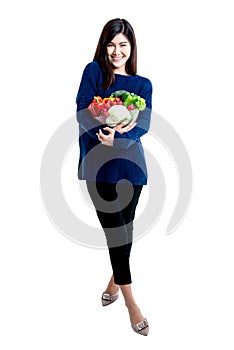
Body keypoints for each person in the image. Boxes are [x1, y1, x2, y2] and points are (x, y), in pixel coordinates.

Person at [75, 18, 152, 336]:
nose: (116, 51)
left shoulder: (143, 84)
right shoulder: (93, 72)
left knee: (126, 230)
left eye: (122, 44)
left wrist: (119, 142)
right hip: (99, 167)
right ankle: (132, 303)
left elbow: (144, 124)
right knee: (116, 234)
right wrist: (104, 136)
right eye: (111, 43)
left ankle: (112, 282)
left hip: (132, 168)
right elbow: (82, 110)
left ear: (131, 47)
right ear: (103, 46)